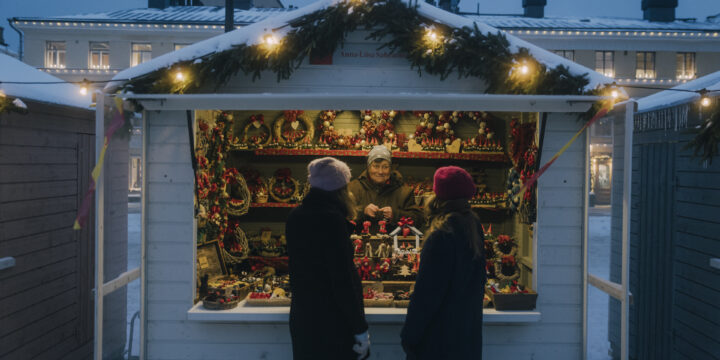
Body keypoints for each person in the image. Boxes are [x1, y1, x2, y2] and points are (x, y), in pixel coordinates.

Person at [285, 157, 370, 360]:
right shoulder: (332, 221)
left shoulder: (295, 216)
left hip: (303, 317)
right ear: (340, 189)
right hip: (332, 322)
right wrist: (360, 328)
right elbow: (342, 281)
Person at [400, 166, 486, 360]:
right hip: (466, 338)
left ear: (437, 195)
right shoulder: (473, 227)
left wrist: (409, 337)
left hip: (438, 341)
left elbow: (426, 296)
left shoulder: (441, 235)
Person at [348, 145, 424, 233]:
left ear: (390, 169)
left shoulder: (404, 192)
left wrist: (395, 215)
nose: (380, 172)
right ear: (368, 167)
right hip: (359, 244)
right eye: (376, 166)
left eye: (385, 167)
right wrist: (362, 212)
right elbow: (342, 217)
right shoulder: (353, 188)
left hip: (394, 244)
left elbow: (418, 220)